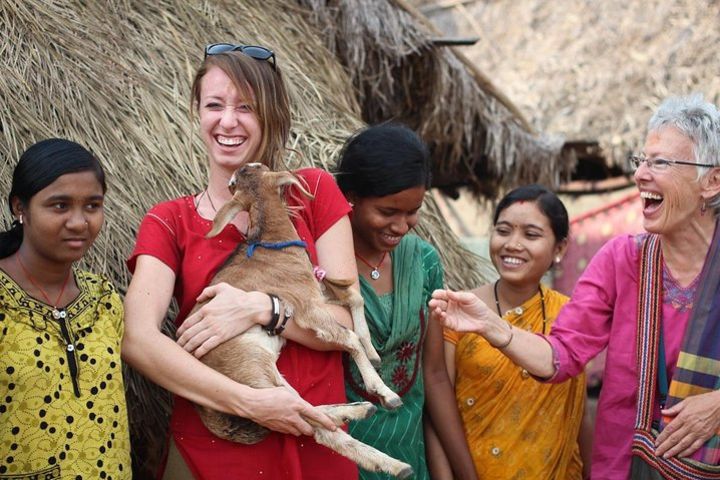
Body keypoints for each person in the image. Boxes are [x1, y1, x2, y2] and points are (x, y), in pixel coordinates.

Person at [430, 93, 720, 479]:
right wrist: (492, 326)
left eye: (661, 163)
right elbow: (561, 354)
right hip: (624, 468)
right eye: (641, 161)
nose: (640, 174)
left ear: (712, 180)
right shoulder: (622, 260)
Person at [122, 43, 359, 479]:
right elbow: (138, 339)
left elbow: (346, 325)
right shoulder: (169, 220)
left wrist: (262, 309)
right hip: (213, 449)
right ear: (197, 112)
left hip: (317, 442)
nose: (227, 121)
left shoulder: (313, 193)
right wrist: (250, 403)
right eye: (214, 105)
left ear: (272, 113)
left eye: (245, 107)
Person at [335, 123, 477, 480]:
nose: (402, 225)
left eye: (412, 211)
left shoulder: (423, 262)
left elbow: (433, 375)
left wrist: (466, 474)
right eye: (387, 212)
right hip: (342, 455)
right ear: (350, 197)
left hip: (408, 455)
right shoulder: (323, 265)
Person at [0, 139, 131, 478]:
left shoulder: (104, 301)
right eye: (59, 206)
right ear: (20, 208)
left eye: (92, 205)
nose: (79, 222)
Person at [442, 184, 585, 479]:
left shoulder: (572, 316)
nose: (512, 244)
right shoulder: (458, 310)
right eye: (503, 230)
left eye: (530, 235)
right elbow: (439, 414)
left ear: (559, 248)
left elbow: (578, 415)